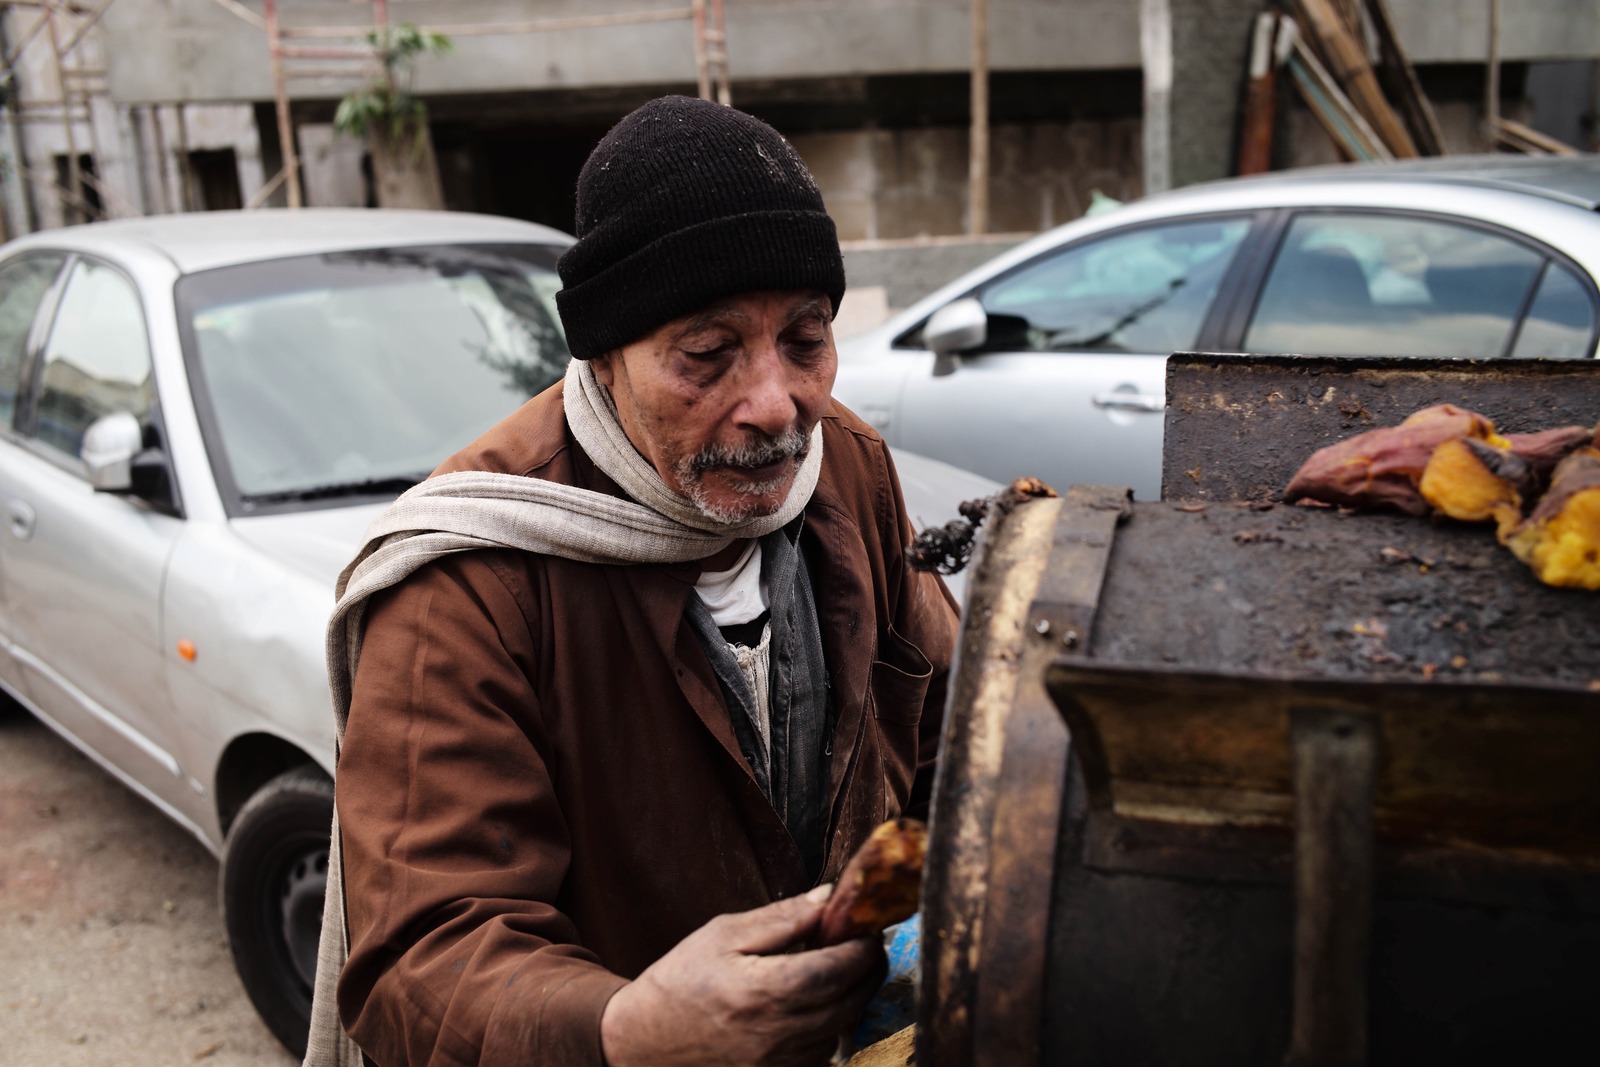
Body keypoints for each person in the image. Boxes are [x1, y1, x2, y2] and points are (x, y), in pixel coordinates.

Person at [302, 94, 958, 1067]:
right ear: (605, 353)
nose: (775, 403)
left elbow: (954, 728)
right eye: (708, 353)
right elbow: (421, 951)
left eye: (807, 339)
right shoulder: (470, 580)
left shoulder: (849, 471)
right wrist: (622, 1027)